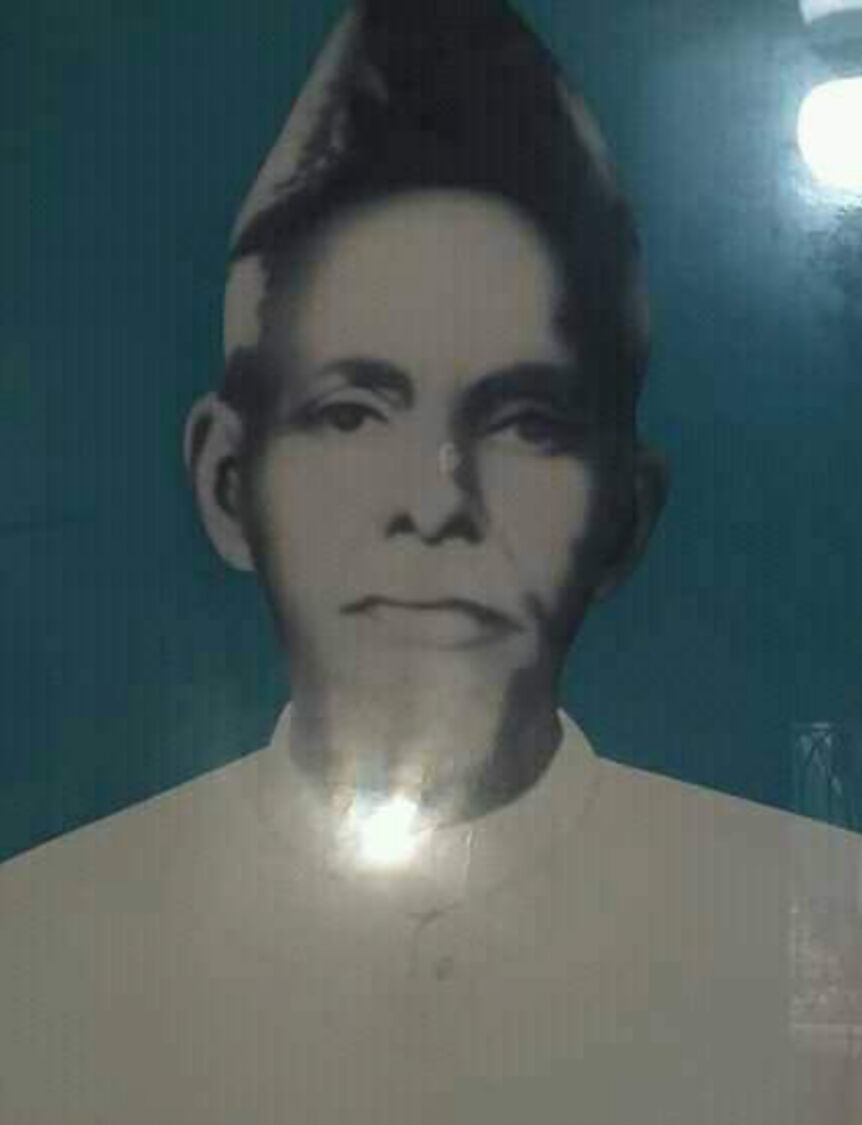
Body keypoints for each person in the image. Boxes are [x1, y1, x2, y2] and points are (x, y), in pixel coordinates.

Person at [1, 3, 860, 1122]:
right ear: (227, 481)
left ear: (625, 515)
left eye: (527, 422)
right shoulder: (35, 955)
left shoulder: (832, 934)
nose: (438, 501)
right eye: (352, 412)